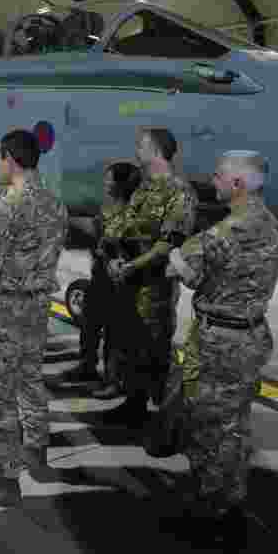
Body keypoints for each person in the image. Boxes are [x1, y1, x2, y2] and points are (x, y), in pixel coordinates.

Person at [163, 150, 278, 552]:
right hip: (250, 337)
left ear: (236, 185)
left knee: (209, 427)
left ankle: (211, 514)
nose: (212, 181)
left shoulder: (222, 234)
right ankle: (229, 506)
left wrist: (174, 256)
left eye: (217, 176)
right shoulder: (272, 228)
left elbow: (184, 272)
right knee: (234, 424)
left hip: (218, 343)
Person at [0, 130, 68, 507]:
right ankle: (35, 450)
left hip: (8, 306)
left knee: (0, 392)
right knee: (31, 377)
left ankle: (4, 479)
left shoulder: (6, 208)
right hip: (39, 304)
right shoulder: (55, 204)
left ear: (9, 158)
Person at [103, 128, 197, 427]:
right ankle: (134, 405)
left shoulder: (179, 192)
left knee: (156, 351)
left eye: (141, 146)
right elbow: (125, 227)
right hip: (129, 281)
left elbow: (170, 243)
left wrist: (132, 265)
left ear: (156, 151)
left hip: (154, 286)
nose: (136, 151)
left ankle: (167, 418)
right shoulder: (144, 189)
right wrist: (116, 258)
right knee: (132, 347)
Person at [61, 161, 142, 389]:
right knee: (89, 325)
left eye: (108, 179)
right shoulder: (108, 210)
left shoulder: (132, 214)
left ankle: (111, 379)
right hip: (99, 279)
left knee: (114, 334)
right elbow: (95, 229)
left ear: (120, 184)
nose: (105, 183)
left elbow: (121, 245)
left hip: (118, 284)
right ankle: (86, 367)